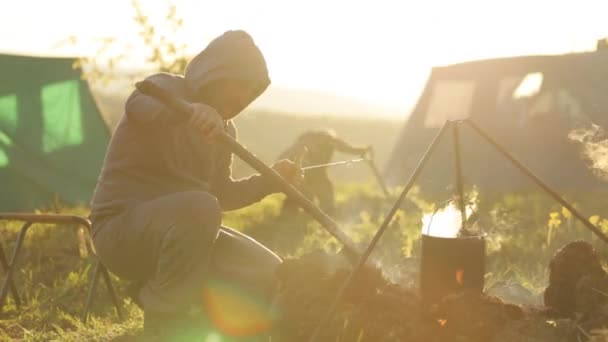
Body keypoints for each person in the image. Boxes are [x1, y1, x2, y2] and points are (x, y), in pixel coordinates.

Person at [89, 30, 300, 340]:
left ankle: (221, 327)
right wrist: (188, 112)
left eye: (251, 91)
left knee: (269, 268)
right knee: (200, 208)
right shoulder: (162, 89)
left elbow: (221, 195)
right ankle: (164, 322)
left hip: (184, 230)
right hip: (121, 232)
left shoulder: (224, 131)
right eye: (239, 84)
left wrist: (269, 182)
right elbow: (141, 105)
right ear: (216, 73)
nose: (243, 98)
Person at [278, 129, 372, 214]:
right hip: (304, 173)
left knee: (301, 196)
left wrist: (362, 151)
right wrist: (363, 150)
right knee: (314, 197)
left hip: (305, 173)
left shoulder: (312, 138)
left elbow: (346, 148)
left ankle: (290, 215)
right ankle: (325, 214)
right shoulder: (325, 139)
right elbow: (346, 148)